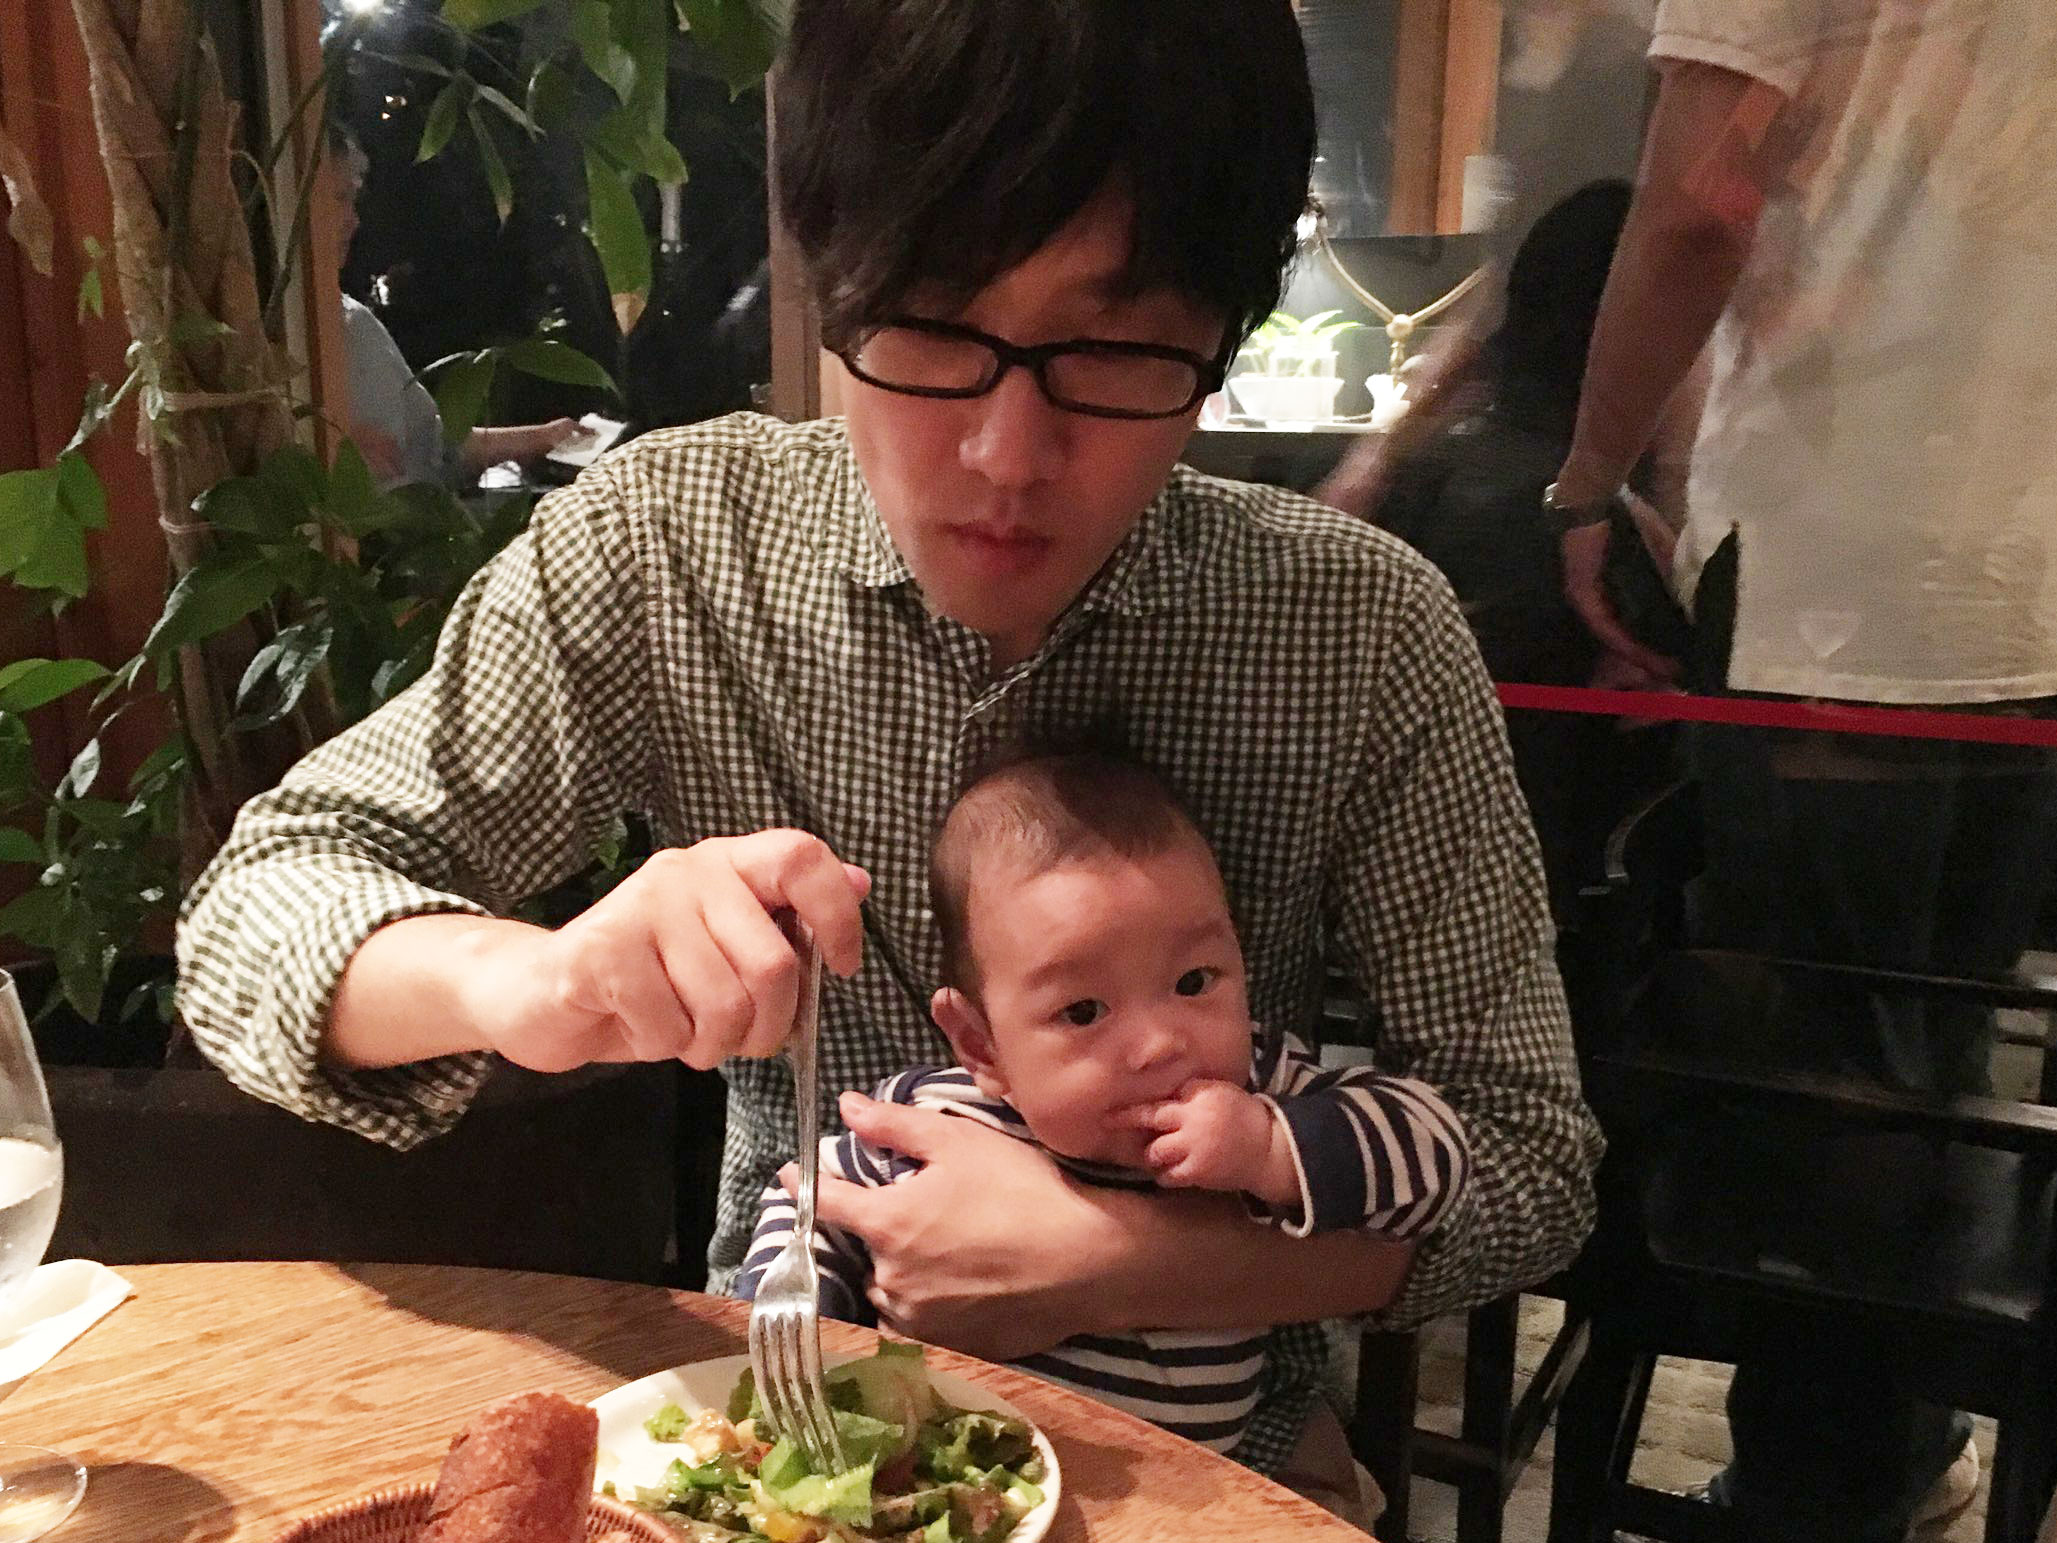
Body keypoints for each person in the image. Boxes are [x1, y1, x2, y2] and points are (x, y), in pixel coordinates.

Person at [176, 0, 1602, 1517]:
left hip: (1208, 1452)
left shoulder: (1355, 631)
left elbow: (1530, 1166)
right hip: (779, 1435)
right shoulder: (673, 548)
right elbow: (254, 915)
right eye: (929, 323)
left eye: (1115, 347)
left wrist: (1132, 1260)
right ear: (826, 279)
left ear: (1219, 339)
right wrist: (530, 981)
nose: (1005, 454)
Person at [1548, 1, 2057, 1538]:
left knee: (1821, 1073)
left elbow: (1698, 206)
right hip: (2030, 589)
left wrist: (1586, 480)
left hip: (1841, 585)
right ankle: (1900, 1449)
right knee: (1942, 1044)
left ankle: (1814, 1490)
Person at [739, 748, 1468, 1483]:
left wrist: (1270, 1149)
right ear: (982, 1045)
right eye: (1083, 1011)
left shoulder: (1262, 1087)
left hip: (1191, 1495)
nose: (1159, 1044)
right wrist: (793, 1336)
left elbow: (1439, 1155)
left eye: (1194, 981)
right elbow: (806, 1199)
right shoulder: (944, 1117)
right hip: (954, 1490)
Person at [318, 125, 578, 490]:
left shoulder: (355, 322)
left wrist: (545, 437)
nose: (353, 220)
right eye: (338, 198)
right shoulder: (281, 337)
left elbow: (435, 445)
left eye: (352, 200)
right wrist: (326, 449)